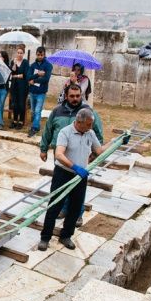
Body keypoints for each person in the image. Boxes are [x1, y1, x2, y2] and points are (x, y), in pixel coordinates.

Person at [38, 108, 122, 252]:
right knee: (55, 206)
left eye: (91, 124)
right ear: (79, 122)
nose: (91, 127)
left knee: (75, 207)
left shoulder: (90, 133)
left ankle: (66, 236)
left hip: (80, 177)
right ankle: (45, 238)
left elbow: (100, 151)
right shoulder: (66, 132)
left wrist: (116, 142)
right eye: (88, 124)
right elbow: (59, 154)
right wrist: (75, 167)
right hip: (63, 174)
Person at [40, 84, 104, 227]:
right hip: (61, 155)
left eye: (78, 96)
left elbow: (98, 135)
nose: (75, 99)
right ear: (66, 96)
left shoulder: (88, 112)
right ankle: (63, 209)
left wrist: (93, 155)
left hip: (80, 158)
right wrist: (43, 148)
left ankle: (77, 215)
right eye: (72, 96)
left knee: (79, 191)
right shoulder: (57, 111)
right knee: (61, 188)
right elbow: (48, 130)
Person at [27, 46, 53, 137]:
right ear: (36, 54)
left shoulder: (48, 65)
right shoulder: (33, 65)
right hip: (32, 91)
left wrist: (34, 81)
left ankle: (34, 127)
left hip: (41, 92)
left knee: (38, 110)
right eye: (38, 54)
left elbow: (46, 79)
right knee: (33, 111)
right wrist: (37, 74)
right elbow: (28, 77)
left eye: (42, 55)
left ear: (44, 54)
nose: (40, 56)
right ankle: (36, 126)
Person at [9, 46, 30, 130]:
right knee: (14, 103)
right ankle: (14, 121)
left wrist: (16, 76)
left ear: (23, 54)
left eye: (21, 53)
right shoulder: (13, 61)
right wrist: (14, 64)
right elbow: (12, 71)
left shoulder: (25, 62)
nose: (19, 54)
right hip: (14, 86)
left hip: (23, 86)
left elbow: (25, 74)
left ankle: (21, 121)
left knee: (21, 104)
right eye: (18, 52)